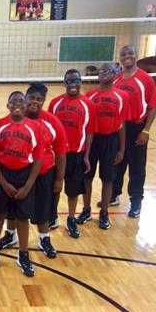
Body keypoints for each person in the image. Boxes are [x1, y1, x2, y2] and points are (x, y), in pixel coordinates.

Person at [0, 83, 68, 258]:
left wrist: (59, 179)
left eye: (39, 99)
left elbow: (61, 152)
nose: (35, 102)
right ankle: (10, 235)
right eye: (31, 98)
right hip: (19, 173)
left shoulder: (52, 122)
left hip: (44, 173)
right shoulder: (12, 120)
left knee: (43, 208)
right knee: (13, 207)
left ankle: (44, 238)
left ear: (44, 101)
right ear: (25, 98)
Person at [0, 91, 43, 277]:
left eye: (21, 101)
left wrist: (28, 186)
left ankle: (23, 255)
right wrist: (3, 183)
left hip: (24, 175)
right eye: (13, 102)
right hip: (3, 173)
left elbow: (37, 159)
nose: (17, 104)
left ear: (26, 105)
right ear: (7, 105)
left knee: (22, 218)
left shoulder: (34, 128)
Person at [109, 45, 156, 218]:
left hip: (136, 127)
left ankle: (136, 201)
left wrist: (146, 130)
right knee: (117, 163)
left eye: (130, 53)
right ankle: (114, 195)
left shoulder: (145, 79)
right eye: (123, 54)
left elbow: (153, 106)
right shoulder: (115, 79)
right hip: (118, 128)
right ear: (120, 58)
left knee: (137, 168)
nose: (127, 56)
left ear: (137, 56)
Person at [77, 63, 129, 229]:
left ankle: (104, 212)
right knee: (87, 176)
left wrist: (121, 149)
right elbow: (85, 125)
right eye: (102, 71)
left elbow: (122, 124)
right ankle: (86, 209)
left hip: (111, 140)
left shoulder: (122, 96)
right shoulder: (89, 96)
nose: (106, 74)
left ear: (116, 75)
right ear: (98, 75)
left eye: (110, 71)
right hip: (93, 140)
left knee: (107, 178)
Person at [48, 69, 96, 239]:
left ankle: (70, 218)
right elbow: (49, 129)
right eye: (69, 81)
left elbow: (90, 131)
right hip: (58, 154)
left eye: (76, 80)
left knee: (73, 190)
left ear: (80, 82)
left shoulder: (88, 104)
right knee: (55, 187)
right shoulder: (55, 103)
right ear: (64, 82)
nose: (73, 84)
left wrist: (86, 156)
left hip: (77, 153)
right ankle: (52, 217)